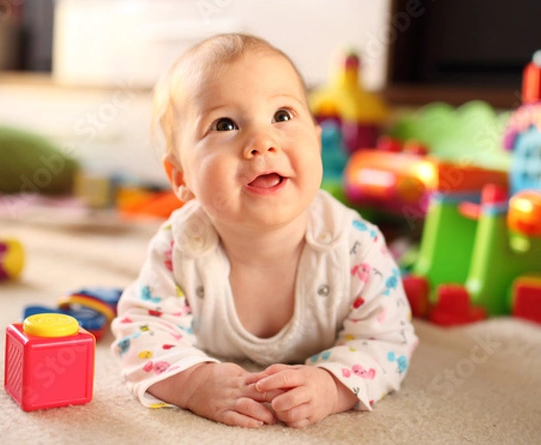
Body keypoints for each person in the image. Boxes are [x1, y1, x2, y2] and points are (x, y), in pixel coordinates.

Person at [111, 33, 418, 429]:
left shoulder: (356, 248)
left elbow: (387, 340)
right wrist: (193, 383)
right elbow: (141, 331)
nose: (262, 142)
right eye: (225, 124)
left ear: (318, 139)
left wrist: (332, 386)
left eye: (283, 116)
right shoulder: (181, 246)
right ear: (181, 177)